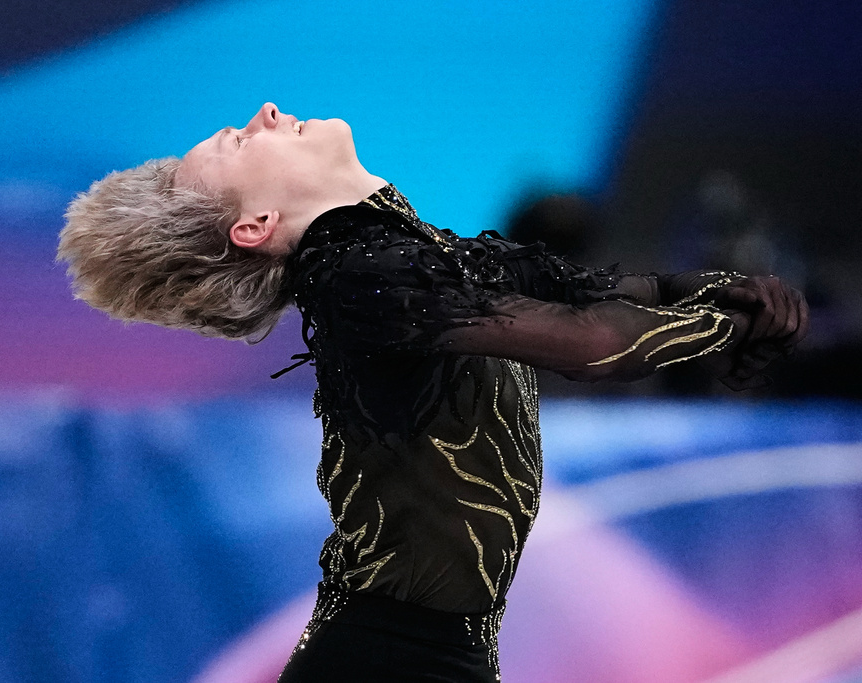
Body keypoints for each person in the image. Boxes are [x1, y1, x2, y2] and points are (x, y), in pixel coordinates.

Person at [58, 102, 808, 682]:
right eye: (240, 141)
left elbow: (598, 290)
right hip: (385, 660)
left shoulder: (417, 255)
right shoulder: (359, 278)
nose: (268, 113)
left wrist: (735, 297)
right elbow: (594, 342)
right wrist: (727, 324)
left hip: (424, 655)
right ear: (256, 224)